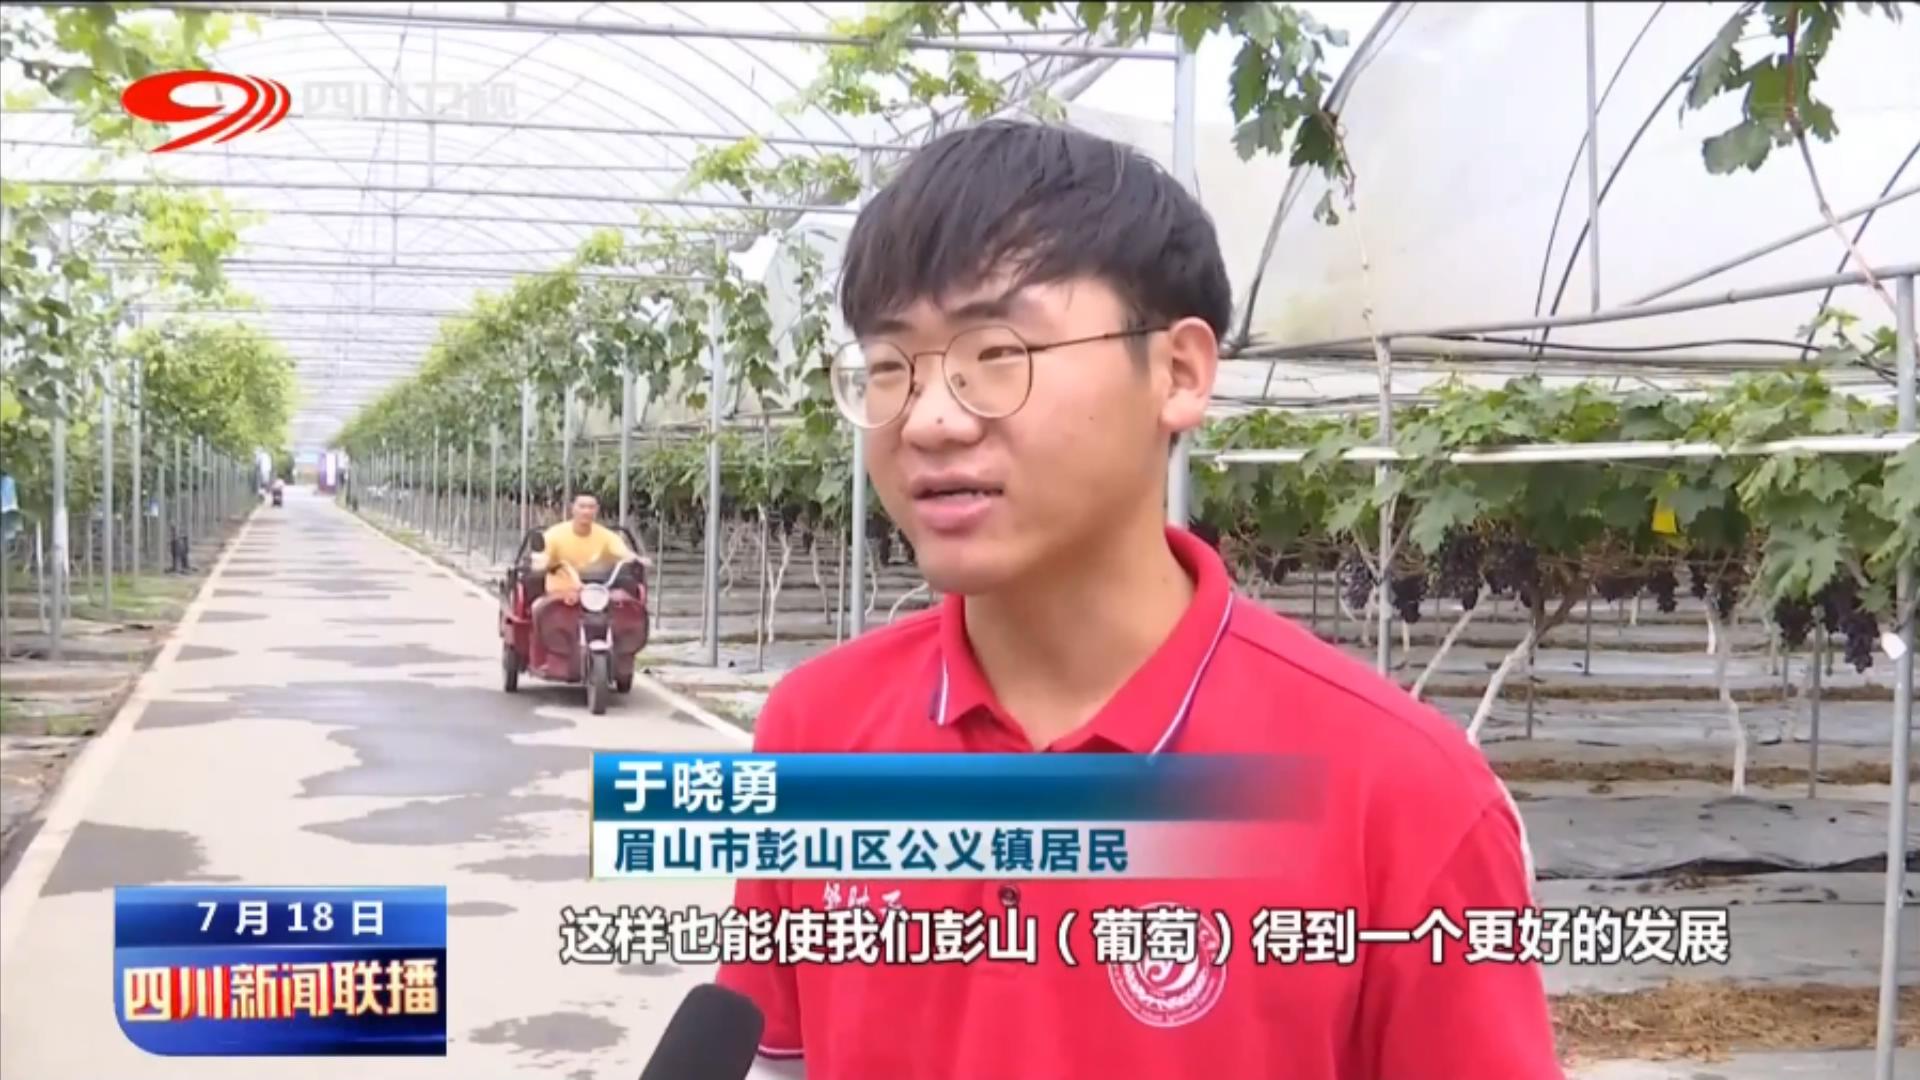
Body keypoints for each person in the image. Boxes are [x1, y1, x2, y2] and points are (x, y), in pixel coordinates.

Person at [715, 121, 1562, 1079]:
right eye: (887, 366)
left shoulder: (1404, 796)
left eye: (997, 353)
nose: (931, 419)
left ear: (1179, 372)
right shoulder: (818, 732)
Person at [531, 493, 632, 607]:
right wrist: (542, 563)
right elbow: (541, 559)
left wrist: (633, 558)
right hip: (561, 593)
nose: (586, 511)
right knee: (539, 607)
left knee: (626, 606)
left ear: (597, 510)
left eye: (591, 507)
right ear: (572, 508)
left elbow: (622, 552)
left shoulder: (608, 536)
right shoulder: (553, 535)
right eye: (582, 506)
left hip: (599, 592)